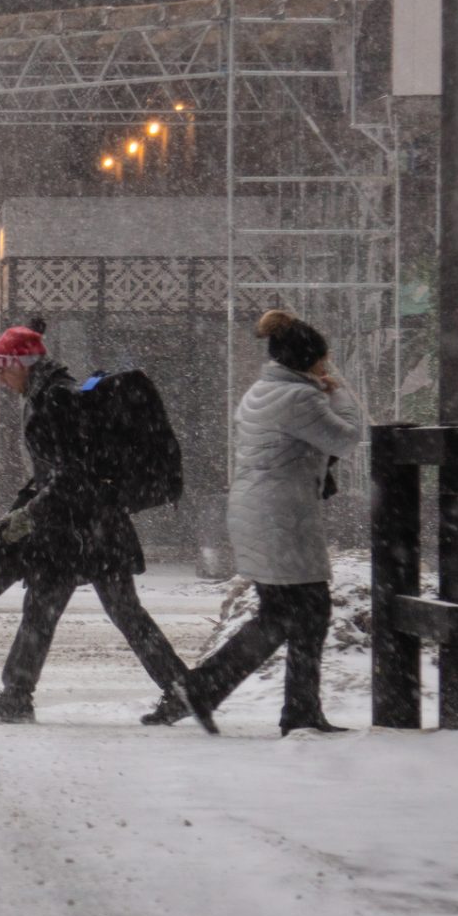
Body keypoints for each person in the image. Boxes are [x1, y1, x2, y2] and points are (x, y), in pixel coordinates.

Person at [0, 324, 207, 729]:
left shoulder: (55, 400)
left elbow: (72, 472)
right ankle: (180, 687)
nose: (1, 378)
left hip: (78, 530)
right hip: (88, 526)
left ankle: (18, 696)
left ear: (22, 365)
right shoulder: (49, 394)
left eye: (3, 368)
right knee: (100, 611)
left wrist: (32, 511)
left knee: (61, 611)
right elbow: (64, 470)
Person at [145, 310, 364, 735]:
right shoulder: (300, 399)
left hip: (262, 513)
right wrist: (336, 386)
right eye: (322, 358)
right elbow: (348, 437)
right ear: (310, 360)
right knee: (305, 612)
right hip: (282, 517)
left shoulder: (263, 391)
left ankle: (216, 692)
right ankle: (264, 703)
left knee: (283, 614)